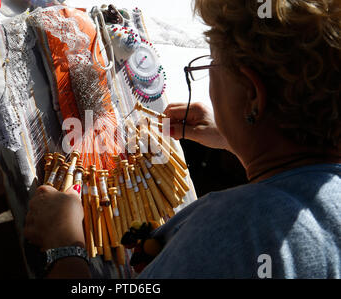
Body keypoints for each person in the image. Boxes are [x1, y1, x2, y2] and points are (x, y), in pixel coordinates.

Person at [23, 0, 340, 278]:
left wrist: (64, 246)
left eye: (211, 63)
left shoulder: (228, 232)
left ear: (253, 94)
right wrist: (234, 138)